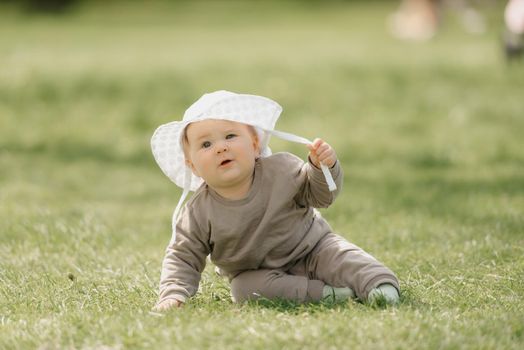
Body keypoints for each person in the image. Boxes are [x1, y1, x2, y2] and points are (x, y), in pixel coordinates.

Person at [150, 90, 400, 311]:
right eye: (206, 144)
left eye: (230, 136)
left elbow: (322, 196)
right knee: (244, 290)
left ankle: (379, 285)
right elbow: (183, 256)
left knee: (344, 257)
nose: (220, 148)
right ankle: (328, 295)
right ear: (192, 165)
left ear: (255, 144)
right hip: (257, 273)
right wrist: (173, 293)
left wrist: (322, 168)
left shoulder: (282, 170)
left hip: (313, 248)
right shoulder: (198, 212)